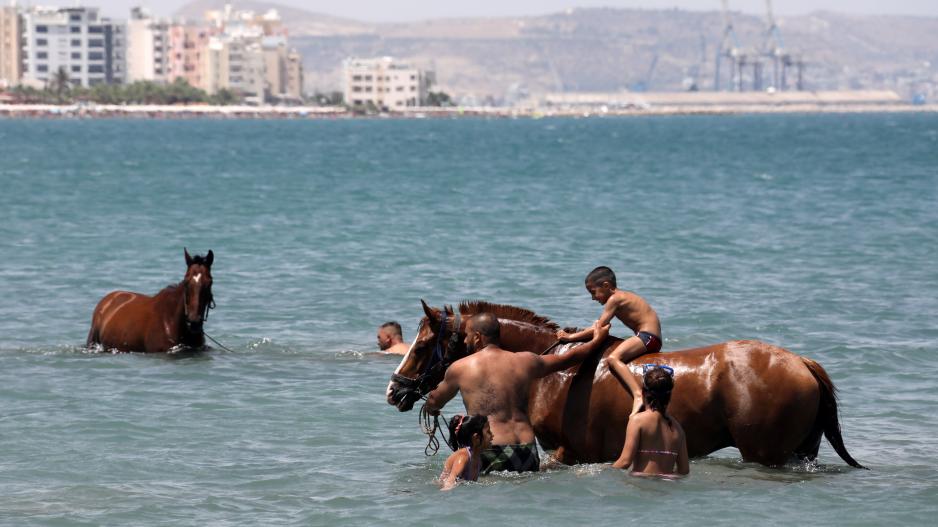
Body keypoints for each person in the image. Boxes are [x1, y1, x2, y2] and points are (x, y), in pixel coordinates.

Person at [426, 312, 610, 475]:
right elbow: (568, 359)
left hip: (491, 448)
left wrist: (430, 406)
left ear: (478, 337)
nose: (465, 340)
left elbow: (436, 400)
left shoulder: (460, 367)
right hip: (527, 450)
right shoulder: (525, 360)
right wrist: (597, 340)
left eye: (467, 335)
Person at [557, 266, 662, 417]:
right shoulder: (621, 296)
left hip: (648, 337)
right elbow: (600, 326)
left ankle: (638, 395)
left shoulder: (615, 299)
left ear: (606, 286)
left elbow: (598, 328)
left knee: (613, 358)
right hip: (650, 337)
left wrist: (569, 337)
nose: (593, 298)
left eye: (593, 292)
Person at [612, 365, 689, 477]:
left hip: (641, 486)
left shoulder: (637, 421)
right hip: (667, 489)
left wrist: (600, 472)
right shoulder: (678, 429)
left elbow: (625, 461)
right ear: (669, 396)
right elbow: (684, 470)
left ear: (644, 393)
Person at [439, 414, 492, 490]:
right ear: (476, 437)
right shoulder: (463, 456)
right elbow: (450, 481)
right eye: (488, 432)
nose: (492, 435)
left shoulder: (478, 459)